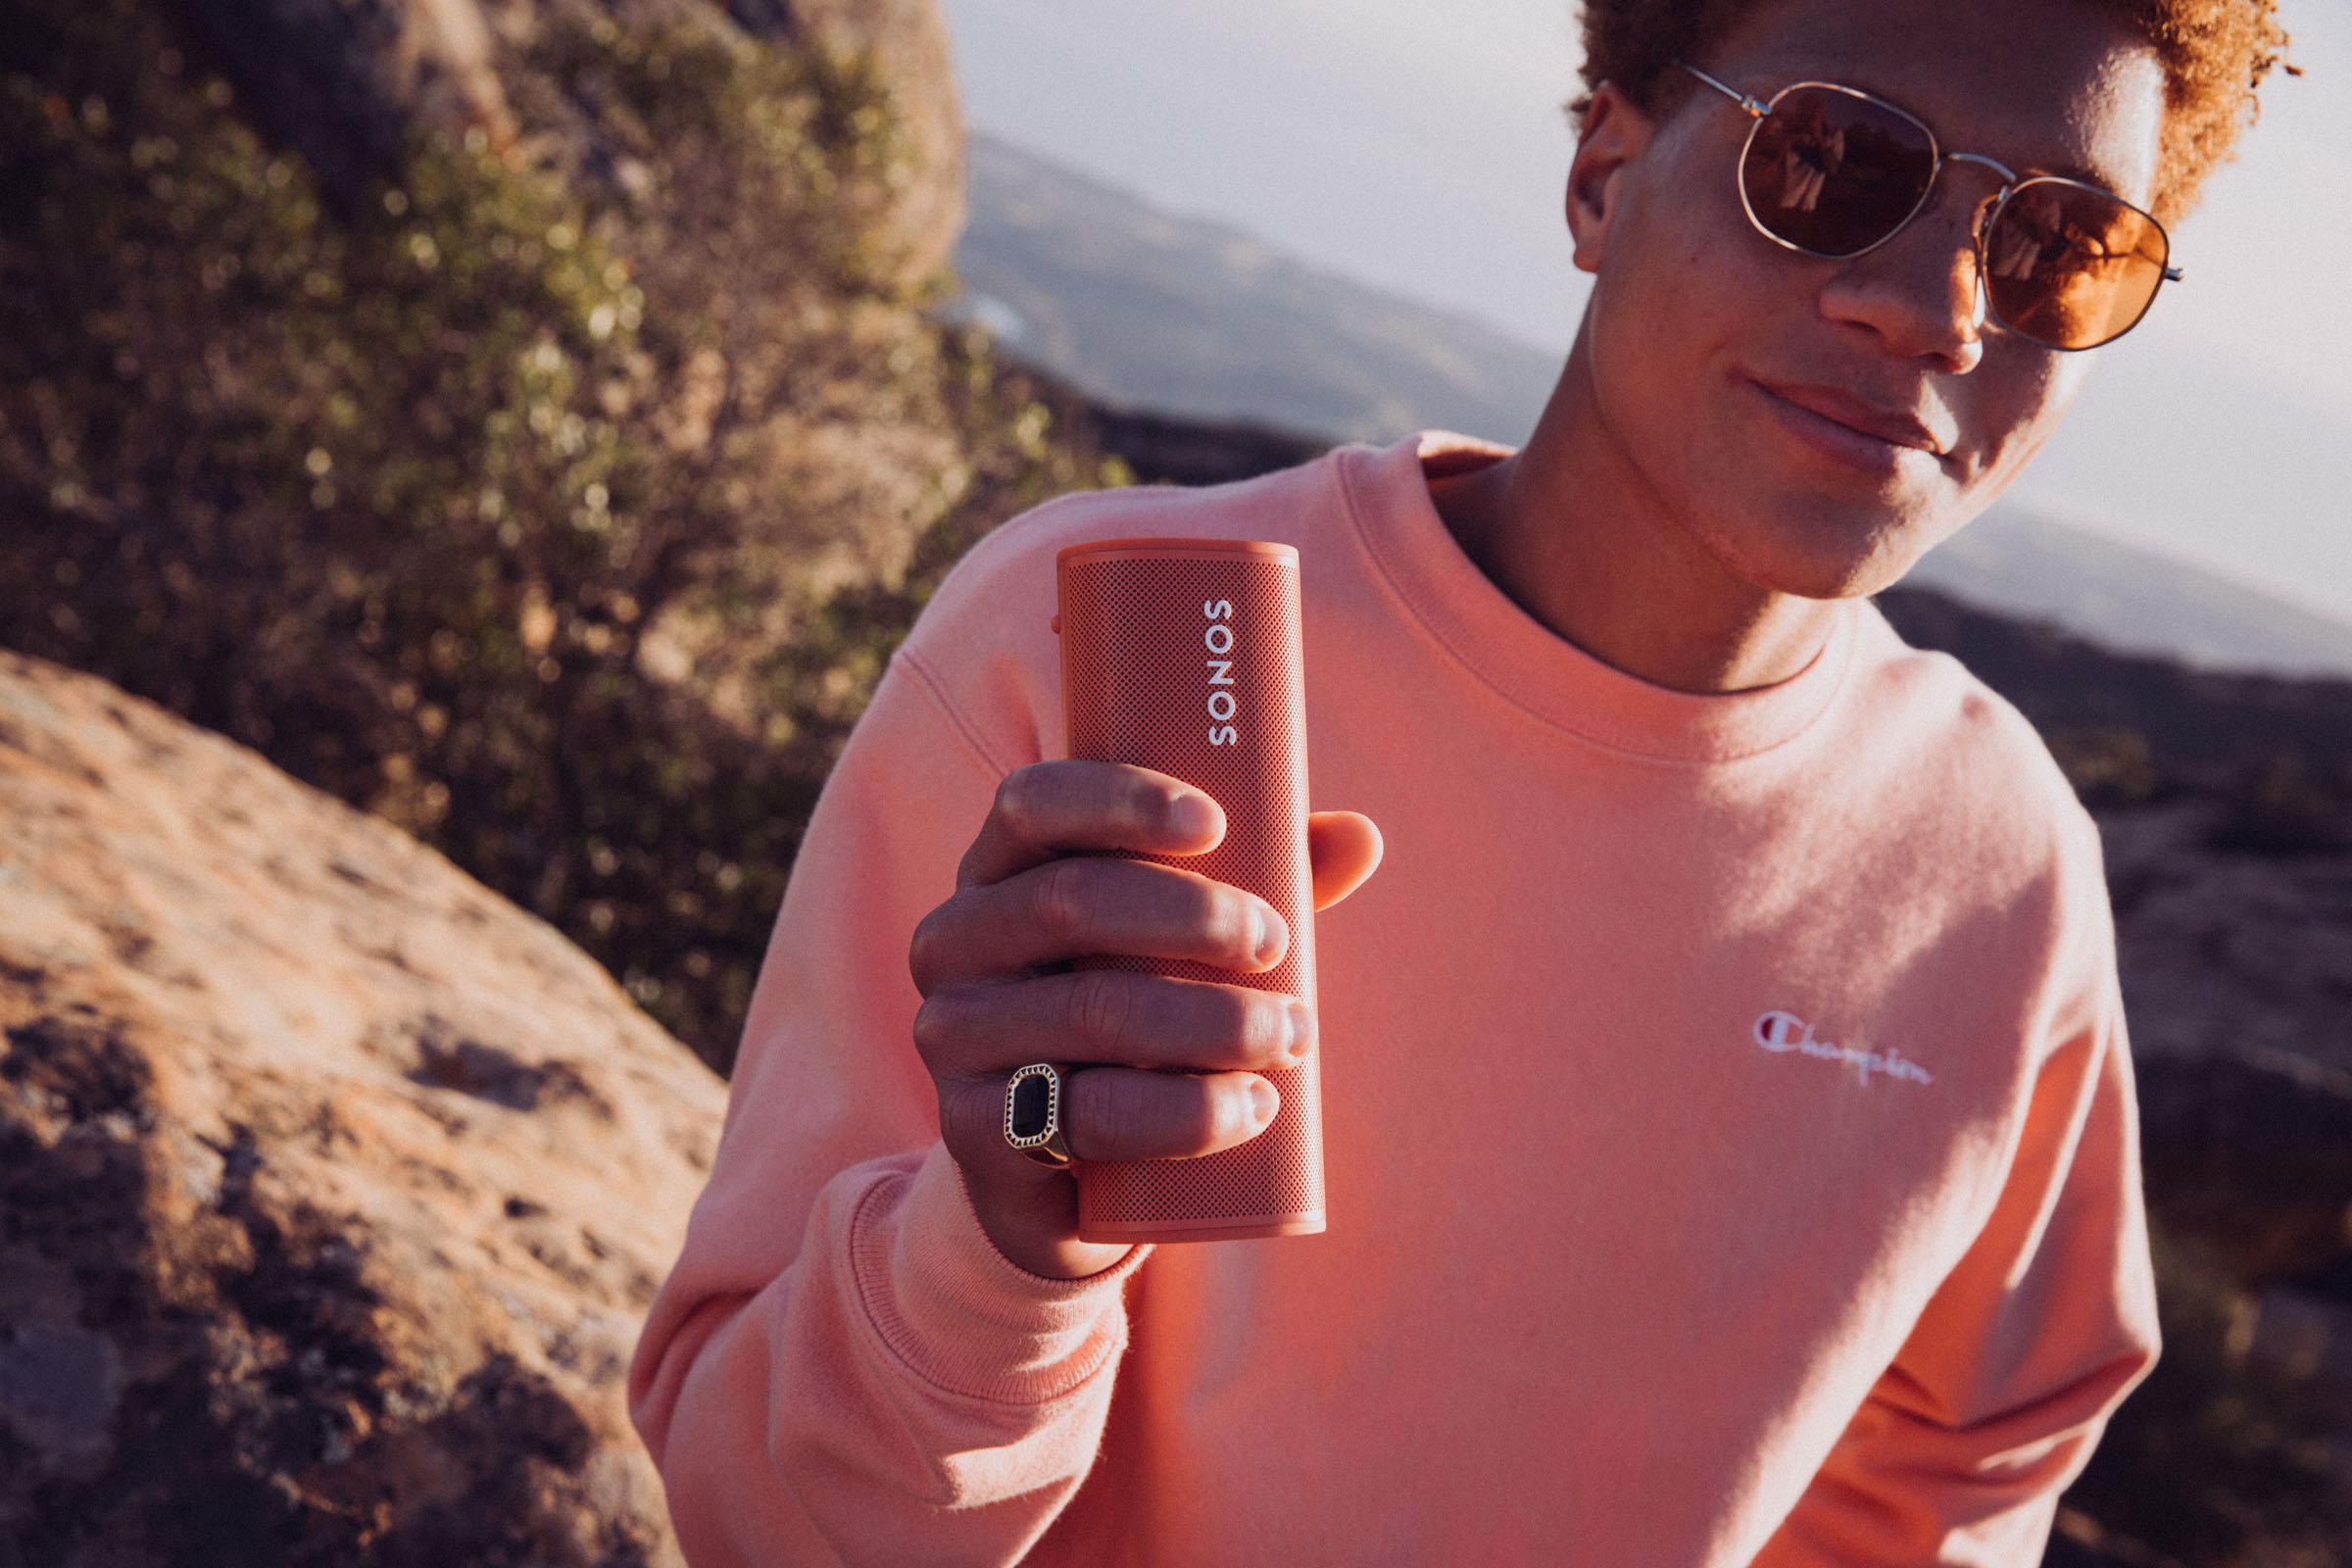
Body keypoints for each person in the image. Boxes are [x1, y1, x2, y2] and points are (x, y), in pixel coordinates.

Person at [629, 0, 2289, 1560]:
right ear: (1603, 176)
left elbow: (1963, 1467)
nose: (1938, 308)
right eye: (1835, 163)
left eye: (2062, 247)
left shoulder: (2002, 869)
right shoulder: (1076, 646)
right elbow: (751, 1514)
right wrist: (994, 1256)